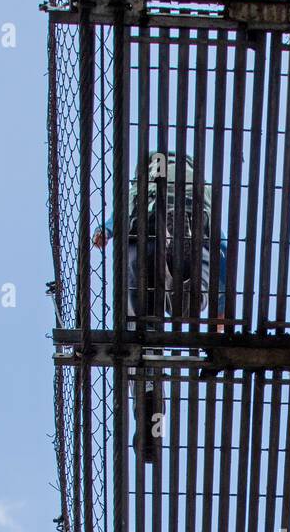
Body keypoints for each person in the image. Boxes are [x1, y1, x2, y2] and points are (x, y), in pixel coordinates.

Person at [93, 151, 227, 461]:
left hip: (141, 238)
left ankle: (148, 401)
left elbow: (121, 213)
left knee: (140, 329)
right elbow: (222, 248)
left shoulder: (138, 188)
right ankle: (180, 256)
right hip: (197, 234)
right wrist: (220, 318)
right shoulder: (202, 194)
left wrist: (107, 230)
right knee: (192, 306)